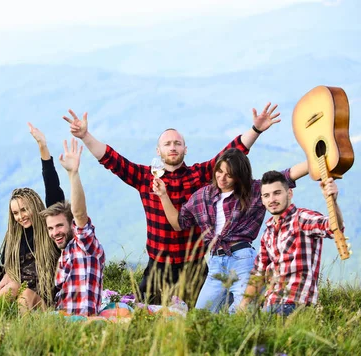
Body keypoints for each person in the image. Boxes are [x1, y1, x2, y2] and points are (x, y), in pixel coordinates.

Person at [63, 103, 281, 305]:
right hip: (158, 265)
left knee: (201, 316)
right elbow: (112, 160)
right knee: (143, 314)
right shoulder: (146, 177)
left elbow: (231, 154)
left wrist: (256, 129)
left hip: (193, 264)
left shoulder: (199, 175)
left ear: (186, 149)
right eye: (167, 144)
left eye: (177, 143)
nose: (173, 147)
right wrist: (85, 136)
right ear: (158, 151)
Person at [153, 149, 308, 313]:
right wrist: (163, 195)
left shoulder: (254, 191)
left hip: (242, 259)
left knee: (241, 314)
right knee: (200, 315)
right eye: (219, 171)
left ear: (239, 175)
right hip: (215, 264)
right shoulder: (204, 195)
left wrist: (319, 160)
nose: (222, 178)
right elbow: (178, 223)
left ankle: (280, 312)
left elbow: (288, 176)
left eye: (229, 174)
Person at [0, 123, 64, 312]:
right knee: (15, 288)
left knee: (23, 293)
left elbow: (53, 188)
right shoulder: (15, 238)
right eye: (16, 213)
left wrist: (43, 147)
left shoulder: (48, 227)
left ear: (34, 206)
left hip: (46, 298)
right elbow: (8, 276)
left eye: (24, 210)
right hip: (20, 293)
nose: (20, 217)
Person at [238, 171, 343, 316]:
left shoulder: (302, 218)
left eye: (277, 193)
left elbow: (333, 228)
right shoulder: (267, 232)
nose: (272, 199)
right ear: (262, 200)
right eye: (267, 195)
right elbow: (258, 273)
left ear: (289, 194)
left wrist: (333, 202)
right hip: (270, 304)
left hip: (295, 304)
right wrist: (242, 306)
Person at [40, 138, 106, 316]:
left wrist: (73, 174)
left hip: (83, 325)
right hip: (62, 326)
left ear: (71, 225)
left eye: (59, 226)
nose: (55, 233)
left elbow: (79, 213)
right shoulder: (64, 255)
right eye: (50, 228)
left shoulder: (85, 246)